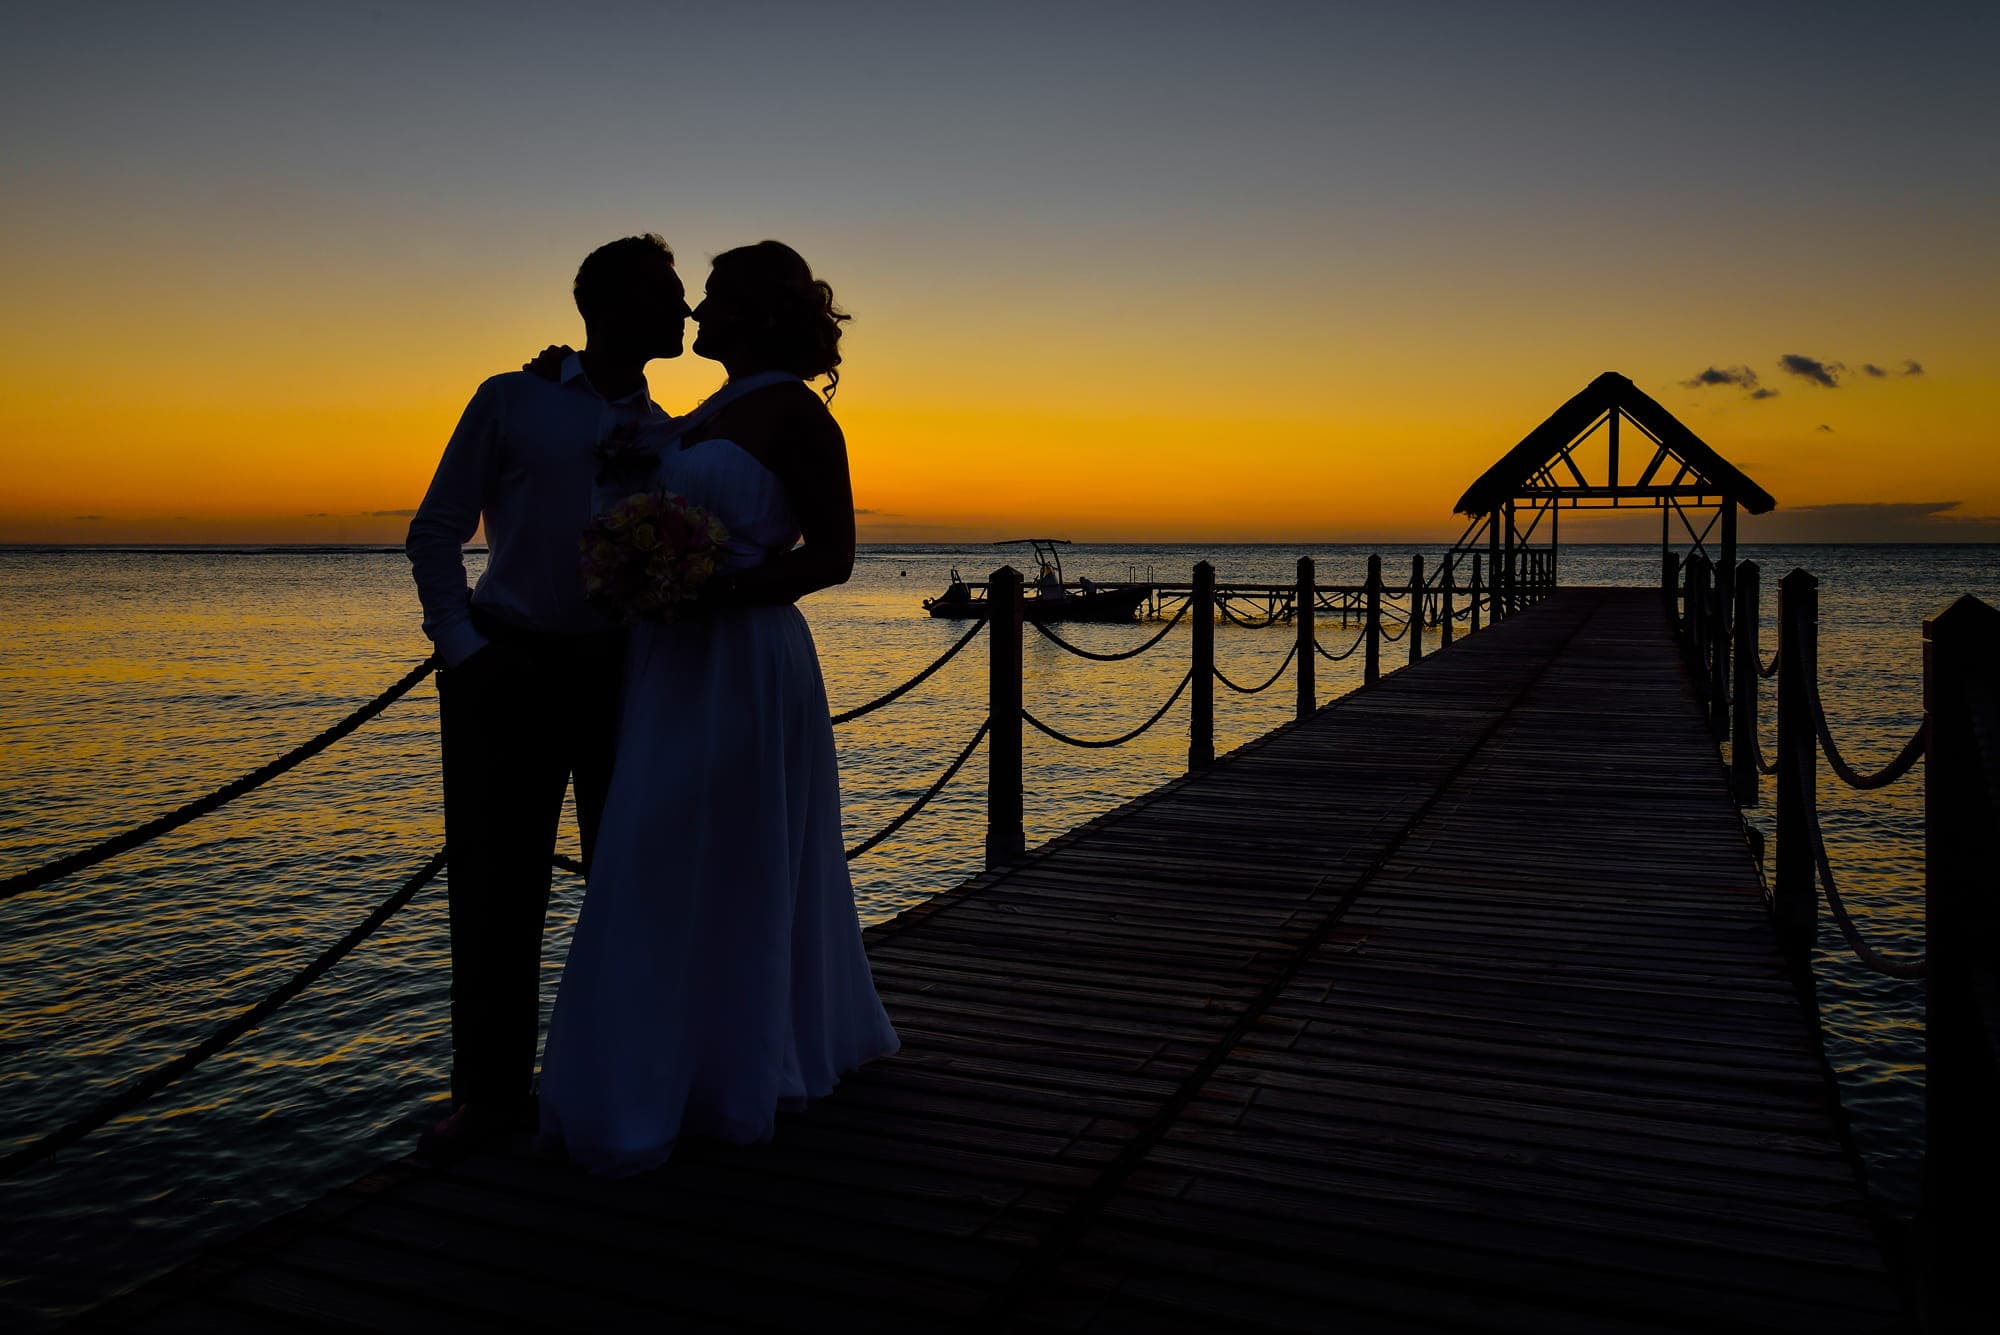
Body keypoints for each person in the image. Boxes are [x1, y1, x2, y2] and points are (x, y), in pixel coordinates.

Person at [534, 241, 898, 1174]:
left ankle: (735, 1067)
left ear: (758, 313)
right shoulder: (697, 414)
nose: (696, 313)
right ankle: (667, 1062)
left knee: (731, 852)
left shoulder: (799, 416)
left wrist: (712, 591)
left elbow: (833, 557)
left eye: (714, 299)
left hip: (742, 658)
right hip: (668, 664)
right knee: (655, 851)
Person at [404, 233, 688, 1155]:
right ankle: (488, 1099)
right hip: (506, 666)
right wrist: (463, 649)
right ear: (608, 306)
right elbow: (435, 529)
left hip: (623, 675)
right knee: (494, 891)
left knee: (628, 885)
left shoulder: (672, 429)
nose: (683, 310)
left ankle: (618, 1082)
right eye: (665, 293)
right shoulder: (512, 398)